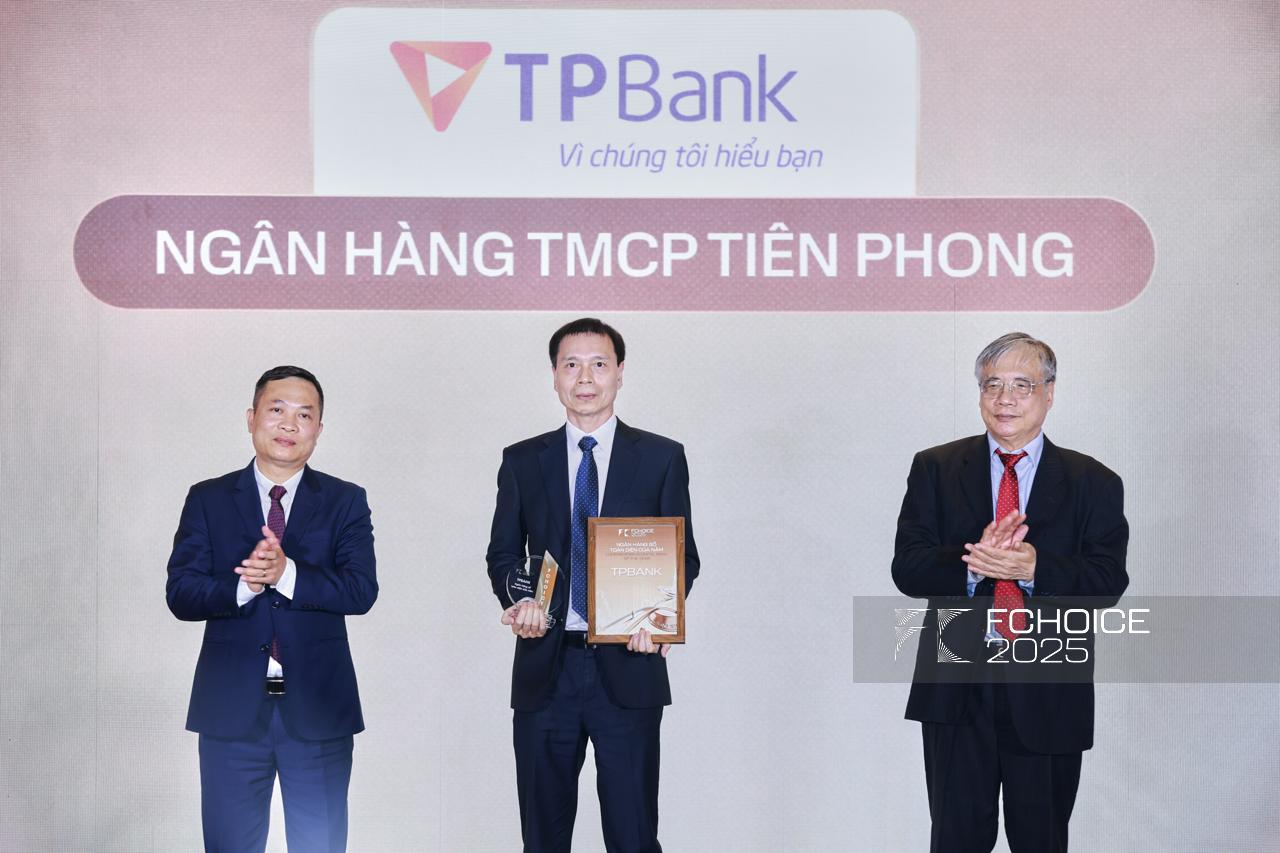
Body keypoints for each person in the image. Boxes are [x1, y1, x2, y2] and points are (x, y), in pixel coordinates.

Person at [892, 332, 1129, 853]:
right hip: (957, 687)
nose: (1005, 399)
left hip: (1048, 690)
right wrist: (974, 564)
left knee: (1041, 840)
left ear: (1049, 393)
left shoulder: (1093, 481)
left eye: (1022, 385)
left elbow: (1108, 581)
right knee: (955, 839)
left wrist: (1035, 568)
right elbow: (907, 569)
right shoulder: (935, 468)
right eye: (992, 385)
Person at [486, 318, 700, 853]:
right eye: (572, 365)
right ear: (555, 376)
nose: (586, 378)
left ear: (620, 373)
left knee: (632, 837)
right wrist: (521, 600)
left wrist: (656, 618)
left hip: (629, 664)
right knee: (542, 838)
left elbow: (683, 557)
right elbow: (503, 553)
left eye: (599, 364)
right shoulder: (522, 460)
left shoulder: (661, 457)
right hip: (545, 668)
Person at [166, 365, 377, 853]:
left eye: (304, 415)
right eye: (277, 409)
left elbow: (360, 590)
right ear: (252, 418)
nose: (289, 424)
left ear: (318, 430)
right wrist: (244, 585)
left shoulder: (345, 501)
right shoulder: (209, 499)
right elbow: (182, 593)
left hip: (319, 712)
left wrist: (287, 573)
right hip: (229, 713)